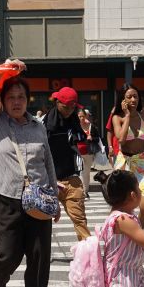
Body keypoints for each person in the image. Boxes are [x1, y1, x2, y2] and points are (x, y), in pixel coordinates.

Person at [0, 59, 60, 287]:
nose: (16, 101)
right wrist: (7, 68)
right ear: (2, 99)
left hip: (38, 196)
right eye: (11, 97)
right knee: (7, 253)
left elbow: (47, 161)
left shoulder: (38, 126)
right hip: (6, 197)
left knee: (39, 255)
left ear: (28, 100)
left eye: (21, 97)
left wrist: (54, 199)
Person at [44, 86, 90, 241]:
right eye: (65, 107)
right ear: (57, 102)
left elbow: (82, 140)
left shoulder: (75, 123)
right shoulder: (43, 124)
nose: (69, 111)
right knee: (41, 223)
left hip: (71, 178)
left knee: (80, 220)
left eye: (72, 107)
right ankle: (38, 255)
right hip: (48, 180)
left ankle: (89, 257)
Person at [112, 83, 144, 227]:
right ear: (122, 100)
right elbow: (121, 140)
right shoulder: (117, 117)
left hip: (142, 162)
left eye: (135, 96)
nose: (133, 100)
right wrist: (128, 116)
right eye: (129, 97)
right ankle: (117, 232)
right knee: (122, 204)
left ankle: (137, 235)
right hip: (124, 162)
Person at [77, 108, 101, 200]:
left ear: (86, 116)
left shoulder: (91, 126)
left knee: (86, 173)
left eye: (83, 116)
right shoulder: (75, 126)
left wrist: (91, 138)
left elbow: (97, 138)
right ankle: (81, 191)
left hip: (88, 153)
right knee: (80, 172)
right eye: (79, 117)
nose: (81, 118)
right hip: (78, 153)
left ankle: (85, 191)